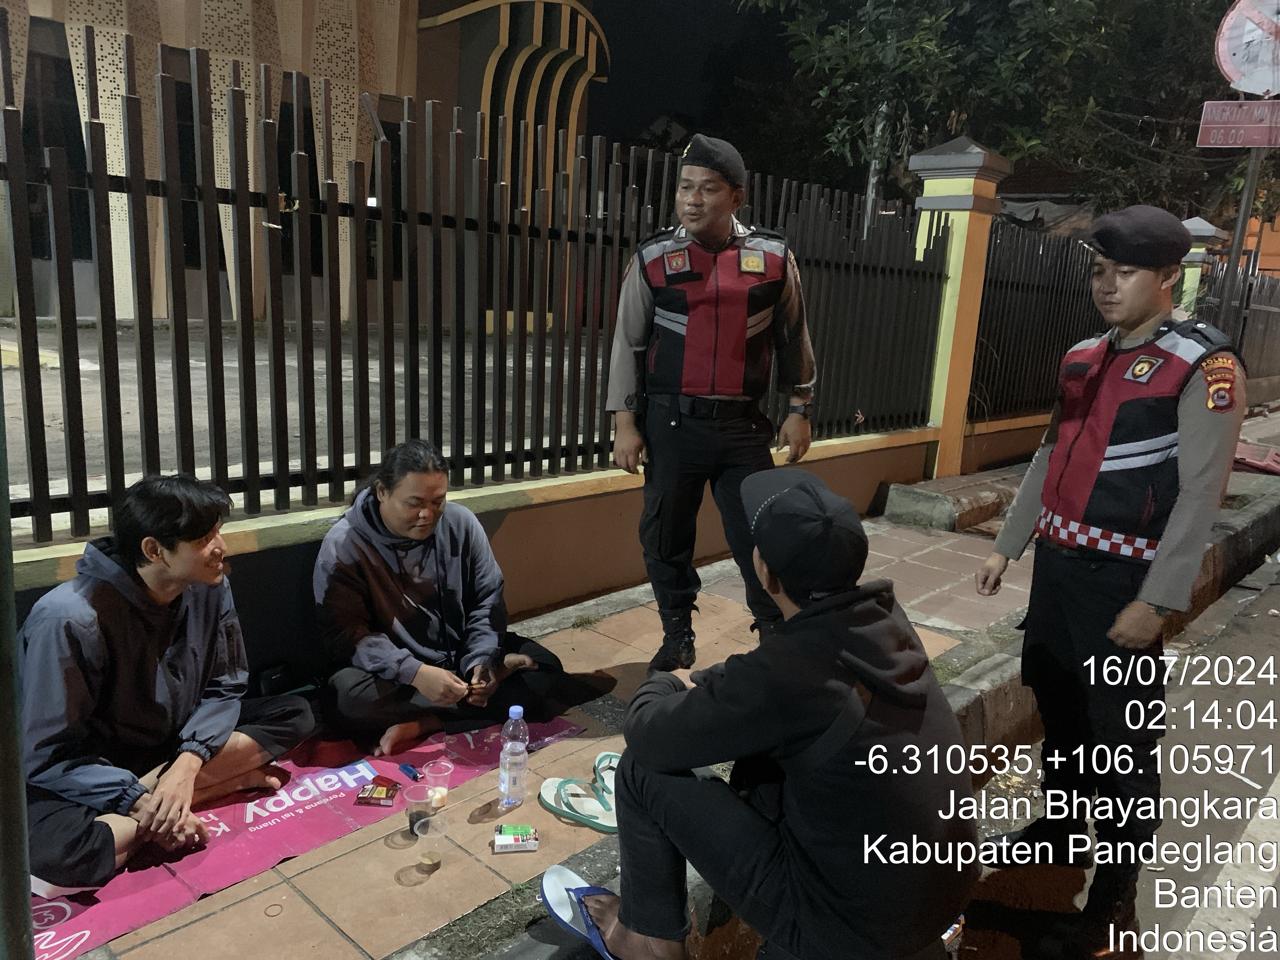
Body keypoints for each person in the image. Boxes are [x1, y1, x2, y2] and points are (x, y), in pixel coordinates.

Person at [974, 205, 1245, 956]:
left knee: (1120, 742)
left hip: (1123, 578)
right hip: (1058, 572)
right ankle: (1063, 828)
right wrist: (1009, 545)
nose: (1107, 285)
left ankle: (1113, 900)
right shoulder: (1083, 355)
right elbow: (1050, 452)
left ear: (1169, 276)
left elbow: (1203, 489)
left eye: (1125, 272)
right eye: (1099, 271)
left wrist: (1157, 599)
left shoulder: (1203, 364)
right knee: (1059, 710)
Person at [574, 468, 978, 960]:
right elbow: (794, 690)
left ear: (765, 573)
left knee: (641, 771)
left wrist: (662, 682)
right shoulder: (884, 623)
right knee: (770, 765)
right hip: (933, 903)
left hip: (850, 928)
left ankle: (647, 940)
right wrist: (735, 682)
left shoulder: (790, 671)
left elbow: (649, 734)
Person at [22, 475, 316, 896]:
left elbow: (226, 685)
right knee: (63, 855)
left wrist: (188, 763)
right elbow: (47, 755)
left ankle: (174, 798)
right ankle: (205, 791)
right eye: (205, 539)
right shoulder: (69, 618)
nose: (221, 547)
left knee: (296, 713)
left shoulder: (210, 586)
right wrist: (135, 798)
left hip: (174, 744)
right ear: (153, 550)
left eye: (218, 532)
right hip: (97, 767)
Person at [606, 133, 817, 672]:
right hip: (671, 424)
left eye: (707, 189)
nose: (693, 200)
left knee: (760, 535)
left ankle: (774, 636)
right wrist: (625, 423)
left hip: (744, 428)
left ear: (736, 197)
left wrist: (799, 409)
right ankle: (677, 633)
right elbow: (628, 343)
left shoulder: (773, 257)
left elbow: (793, 336)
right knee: (664, 536)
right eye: (685, 188)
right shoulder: (654, 257)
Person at [315, 439, 570, 756]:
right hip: (398, 674)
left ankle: (428, 722)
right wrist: (416, 673)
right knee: (345, 699)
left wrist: (479, 662)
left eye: (438, 501)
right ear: (382, 492)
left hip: (459, 654)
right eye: (414, 503)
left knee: (547, 669)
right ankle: (476, 699)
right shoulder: (344, 545)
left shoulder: (461, 523)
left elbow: (487, 601)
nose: (427, 514)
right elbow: (347, 635)